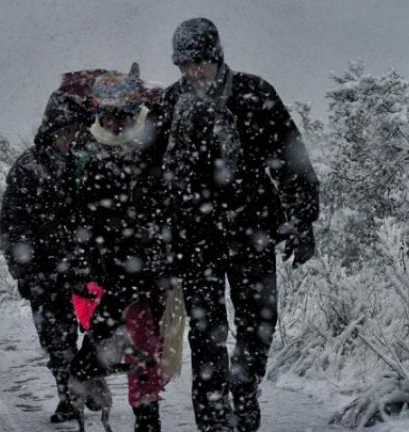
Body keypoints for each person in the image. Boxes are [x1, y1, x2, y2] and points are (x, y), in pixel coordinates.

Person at [153, 18, 320, 432]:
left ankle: (244, 386)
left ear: (217, 56)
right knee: (207, 336)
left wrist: (302, 218)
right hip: (195, 240)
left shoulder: (253, 94)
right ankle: (213, 420)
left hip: (252, 230)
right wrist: (158, 237)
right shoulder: (170, 105)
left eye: (200, 63)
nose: (193, 73)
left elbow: (290, 157)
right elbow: (152, 179)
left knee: (259, 324)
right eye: (184, 66)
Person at [66, 66, 169, 432]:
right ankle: (87, 381)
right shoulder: (87, 156)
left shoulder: (151, 150)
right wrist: (83, 260)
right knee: (107, 340)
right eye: (107, 115)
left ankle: (146, 417)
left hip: (146, 267)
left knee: (142, 343)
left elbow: (163, 204)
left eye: (121, 115)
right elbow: (79, 214)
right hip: (107, 268)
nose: (114, 123)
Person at [0, 90, 103, 423]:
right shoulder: (28, 167)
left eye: (78, 132)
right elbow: (13, 224)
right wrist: (24, 269)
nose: (73, 138)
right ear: (55, 129)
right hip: (43, 271)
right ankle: (69, 396)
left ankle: (88, 382)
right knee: (56, 338)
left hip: (84, 269)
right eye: (68, 131)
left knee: (95, 332)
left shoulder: (88, 164)